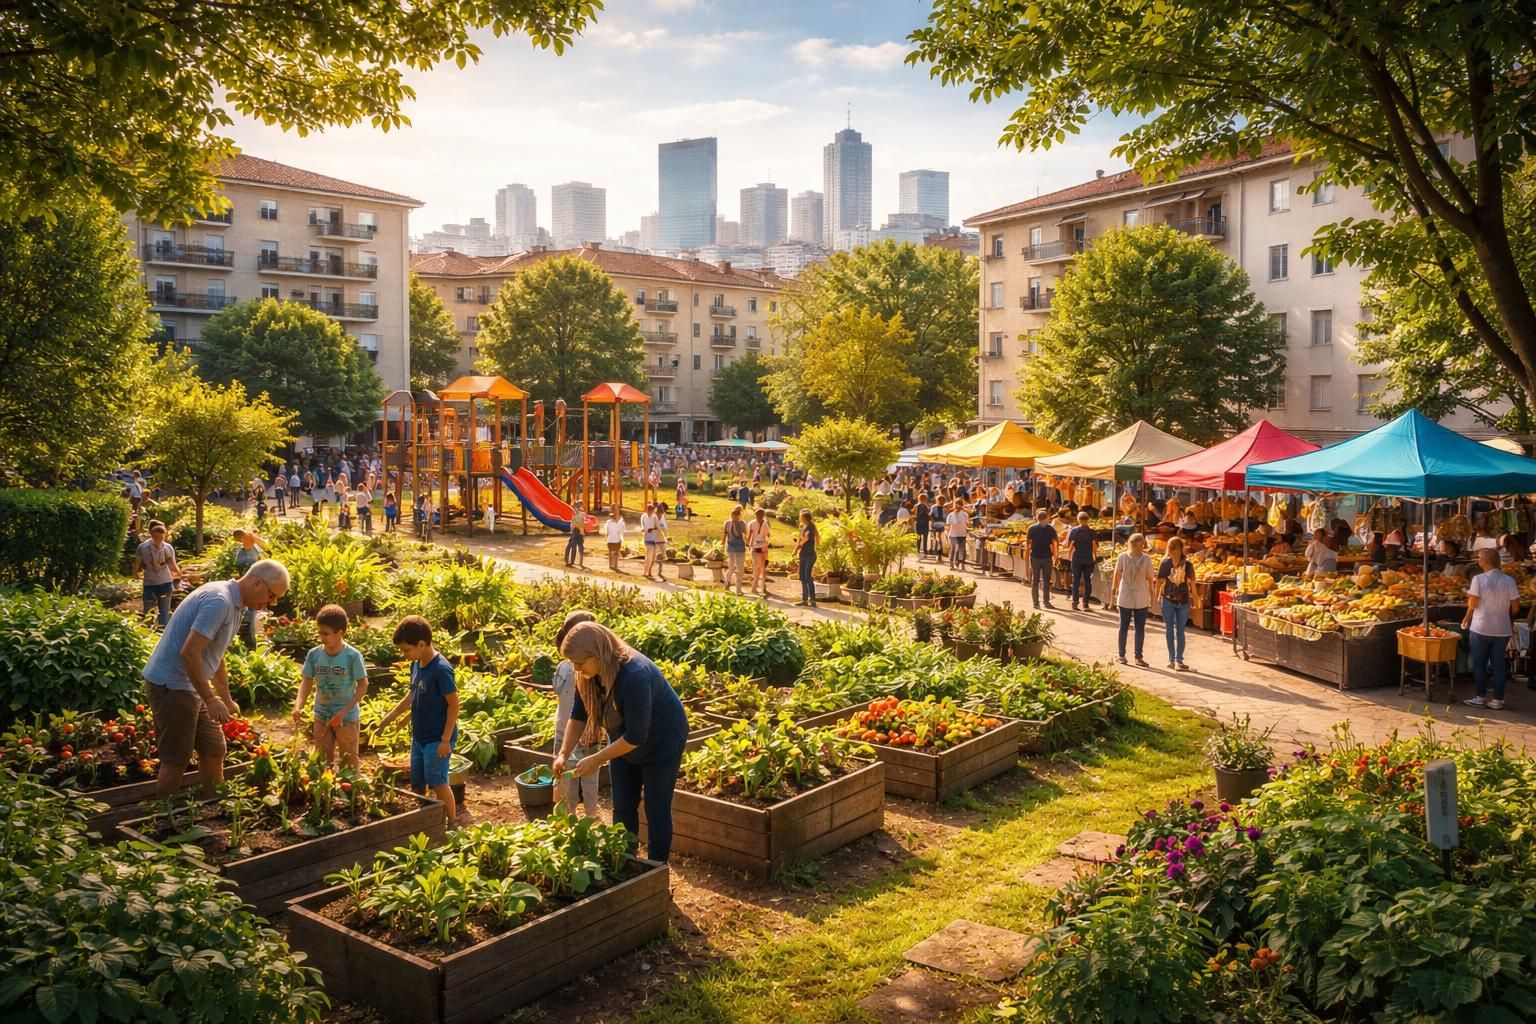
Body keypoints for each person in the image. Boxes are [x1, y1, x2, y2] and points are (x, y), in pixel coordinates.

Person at [141, 560, 289, 799]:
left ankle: (212, 807)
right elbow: (189, 653)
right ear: (257, 582)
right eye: (271, 595)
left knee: (214, 748)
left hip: (189, 685)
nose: (271, 603)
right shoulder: (219, 601)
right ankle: (161, 818)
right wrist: (210, 698)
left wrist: (225, 697)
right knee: (177, 759)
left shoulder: (237, 604)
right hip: (172, 685)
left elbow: (215, 653)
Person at [553, 622, 689, 862]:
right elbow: (579, 713)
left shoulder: (634, 675)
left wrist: (597, 758)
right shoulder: (588, 674)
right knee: (623, 807)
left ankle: (656, 871)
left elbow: (637, 736)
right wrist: (563, 753)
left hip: (661, 741)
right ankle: (625, 863)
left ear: (597, 654)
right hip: (623, 741)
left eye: (579, 663)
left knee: (656, 810)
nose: (575, 668)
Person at [375, 616, 459, 825]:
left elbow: (453, 705)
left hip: (437, 738)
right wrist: (393, 717)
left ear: (421, 644)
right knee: (418, 781)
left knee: (438, 782)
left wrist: (446, 739)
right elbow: (414, 695)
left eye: (406, 650)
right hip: (419, 736)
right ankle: (425, 819)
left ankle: (452, 822)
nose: (404, 655)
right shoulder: (416, 664)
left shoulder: (441, 669)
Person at [291, 604, 368, 768]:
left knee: (349, 763)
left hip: (346, 718)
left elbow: (363, 686)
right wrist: (298, 706)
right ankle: (327, 792)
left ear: (341, 632)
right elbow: (306, 682)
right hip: (322, 715)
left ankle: (350, 792)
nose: (322, 637)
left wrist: (343, 713)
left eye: (326, 633)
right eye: (320, 633)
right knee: (322, 763)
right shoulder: (314, 654)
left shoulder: (352, 656)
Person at [550, 611, 601, 819]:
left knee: (565, 778)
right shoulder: (594, 666)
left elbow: (556, 689)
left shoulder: (564, 666)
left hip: (566, 731)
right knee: (590, 779)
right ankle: (590, 815)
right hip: (591, 734)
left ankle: (567, 815)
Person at [1462, 548, 1521, 710]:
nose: (1478, 560)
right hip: (1502, 629)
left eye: (1480, 558)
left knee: (1479, 663)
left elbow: (1473, 604)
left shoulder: (1478, 579)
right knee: (1498, 665)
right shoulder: (1509, 580)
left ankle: (1480, 697)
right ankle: (1498, 700)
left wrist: (1467, 615)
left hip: (1481, 627)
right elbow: (1515, 608)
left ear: (1486, 561)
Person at [1111, 533, 1153, 667]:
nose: (1143, 547)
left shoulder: (1146, 559)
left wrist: (1151, 596)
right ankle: (1121, 654)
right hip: (1126, 595)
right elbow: (1117, 573)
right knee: (1123, 626)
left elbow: (1150, 579)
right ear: (1134, 545)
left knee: (1140, 628)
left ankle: (1138, 656)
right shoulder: (1123, 557)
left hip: (1141, 596)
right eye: (1141, 545)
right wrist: (1114, 588)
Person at [133, 520, 181, 628]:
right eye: (157, 538)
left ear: (165, 536)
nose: (159, 541)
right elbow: (137, 563)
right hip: (149, 583)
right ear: (151, 536)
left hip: (165, 583)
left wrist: (179, 573)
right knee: (149, 611)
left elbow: (172, 565)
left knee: (164, 611)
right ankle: (147, 633)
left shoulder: (168, 548)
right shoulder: (143, 547)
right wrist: (135, 573)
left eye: (162, 538)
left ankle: (162, 633)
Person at [1159, 536, 1194, 672]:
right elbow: (1160, 581)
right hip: (1167, 600)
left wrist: (1195, 598)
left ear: (1180, 549)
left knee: (1180, 630)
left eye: (1175, 548)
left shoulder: (1188, 564)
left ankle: (1179, 659)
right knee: (1169, 629)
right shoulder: (1165, 563)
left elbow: (1192, 583)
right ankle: (1171, 659)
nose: (1172, 551)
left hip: (1183, 601)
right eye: (1170, 548)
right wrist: (1156, 596)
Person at [231, 529, 265, 647]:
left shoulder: (255, 550)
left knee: (251, 611)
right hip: (245, 585)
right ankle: (244, 639)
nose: (242, 541)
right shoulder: (241, 551)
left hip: (255, 585)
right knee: (245, 611)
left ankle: (251, 641)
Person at [1026, 509, 1059, 609]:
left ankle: (1036, 603)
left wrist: (1027, 556)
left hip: (1035, 557)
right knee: (1046, 580)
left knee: (1035, 580)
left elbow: (1028, 544)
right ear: (1047, 518)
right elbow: (1055, 544)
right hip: (1047, 557)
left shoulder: (1031, 528)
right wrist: (1055, 557)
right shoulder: (1051, 529)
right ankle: (1046, 602)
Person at [1067, 511, 1097, 611]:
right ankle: (1085, 603)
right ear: (1088, 520)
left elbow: (1070, 546)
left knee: (1076, 580)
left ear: (1078, 520)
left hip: (1077, 558)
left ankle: (1075, 602)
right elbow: (1094, 547)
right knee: (1088, 581)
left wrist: (1069, 556)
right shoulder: (1092, 532)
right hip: (1088, 559)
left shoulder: (1074, 531)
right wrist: (1095, 557)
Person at [794, 509, 819, 607]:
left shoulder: (810, 527)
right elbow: (800, 539)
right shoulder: (803, 527)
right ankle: (804, 600)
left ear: (804, 518)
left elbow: (806, 539)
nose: (799, 518)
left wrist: (796, 549)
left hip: (810, 555)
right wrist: (797, 550)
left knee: (808, 577)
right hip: (803, 555)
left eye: (801, 516)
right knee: (802, 577)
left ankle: (812, 600)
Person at [723, 505, 748, 595]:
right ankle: (728, 583)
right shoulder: (728, 523)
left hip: (740, 548)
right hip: (731, 547)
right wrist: (723, 544)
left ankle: (738, 589)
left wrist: (748, 543)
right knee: (732, 568)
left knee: (739, 569)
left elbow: (744, 535)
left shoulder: (742, 523)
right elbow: (725, 535)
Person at [747, 507, 772, 597]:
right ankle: (754, 588)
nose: (759, 516)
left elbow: (768, 535)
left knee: (763, 568)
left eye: (761, 515)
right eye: (758, 515)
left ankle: (762, 587)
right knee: (756, 568)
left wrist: (767, 543)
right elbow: (750, 535)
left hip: (763, 548)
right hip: (755, 548)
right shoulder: (752, 523)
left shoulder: (765, 524)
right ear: (755, 515)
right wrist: (749, 544)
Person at [640, 502, 664, 579]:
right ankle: (645, 572)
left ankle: (649, 571)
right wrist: (644, 530)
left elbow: (659, 528)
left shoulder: (654, 517)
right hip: (647, 538)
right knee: (648, 555)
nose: (649, 512)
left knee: (653, 557)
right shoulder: (644, 516)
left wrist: (653, 529)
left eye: (651, 510)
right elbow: (642, 525)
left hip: (654, 538)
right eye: (648, 510)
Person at [945, 500, 970, 570]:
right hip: (952, 534)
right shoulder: (950, 515)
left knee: (961, 550)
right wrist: (946, 534)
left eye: (958, 505)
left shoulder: (965, 514)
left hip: (962, 534)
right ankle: (951, 564)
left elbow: (968, 524)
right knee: (952, 549)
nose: (956, 507)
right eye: (955, 505)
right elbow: (947, 525)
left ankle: (961, 563)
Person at [565, 502, 588, 569]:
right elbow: (573, 524)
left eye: (575, 508)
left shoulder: (579, 515)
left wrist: (580, 531)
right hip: (576, 533)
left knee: (573, 547)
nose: (574, 509)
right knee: (573, 547)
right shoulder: (576, 515)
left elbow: (579, 525)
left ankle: (572, 561)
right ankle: (572, 561)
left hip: (577, 532)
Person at [605, 507, 626, 572]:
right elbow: (621, 532)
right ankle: (614, 565)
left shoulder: (609, 522)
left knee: (611, 552)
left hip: (610, 540)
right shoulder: (619, 523)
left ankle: (611, 565)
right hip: (615, 540)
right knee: (614, 553)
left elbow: (607, 531)